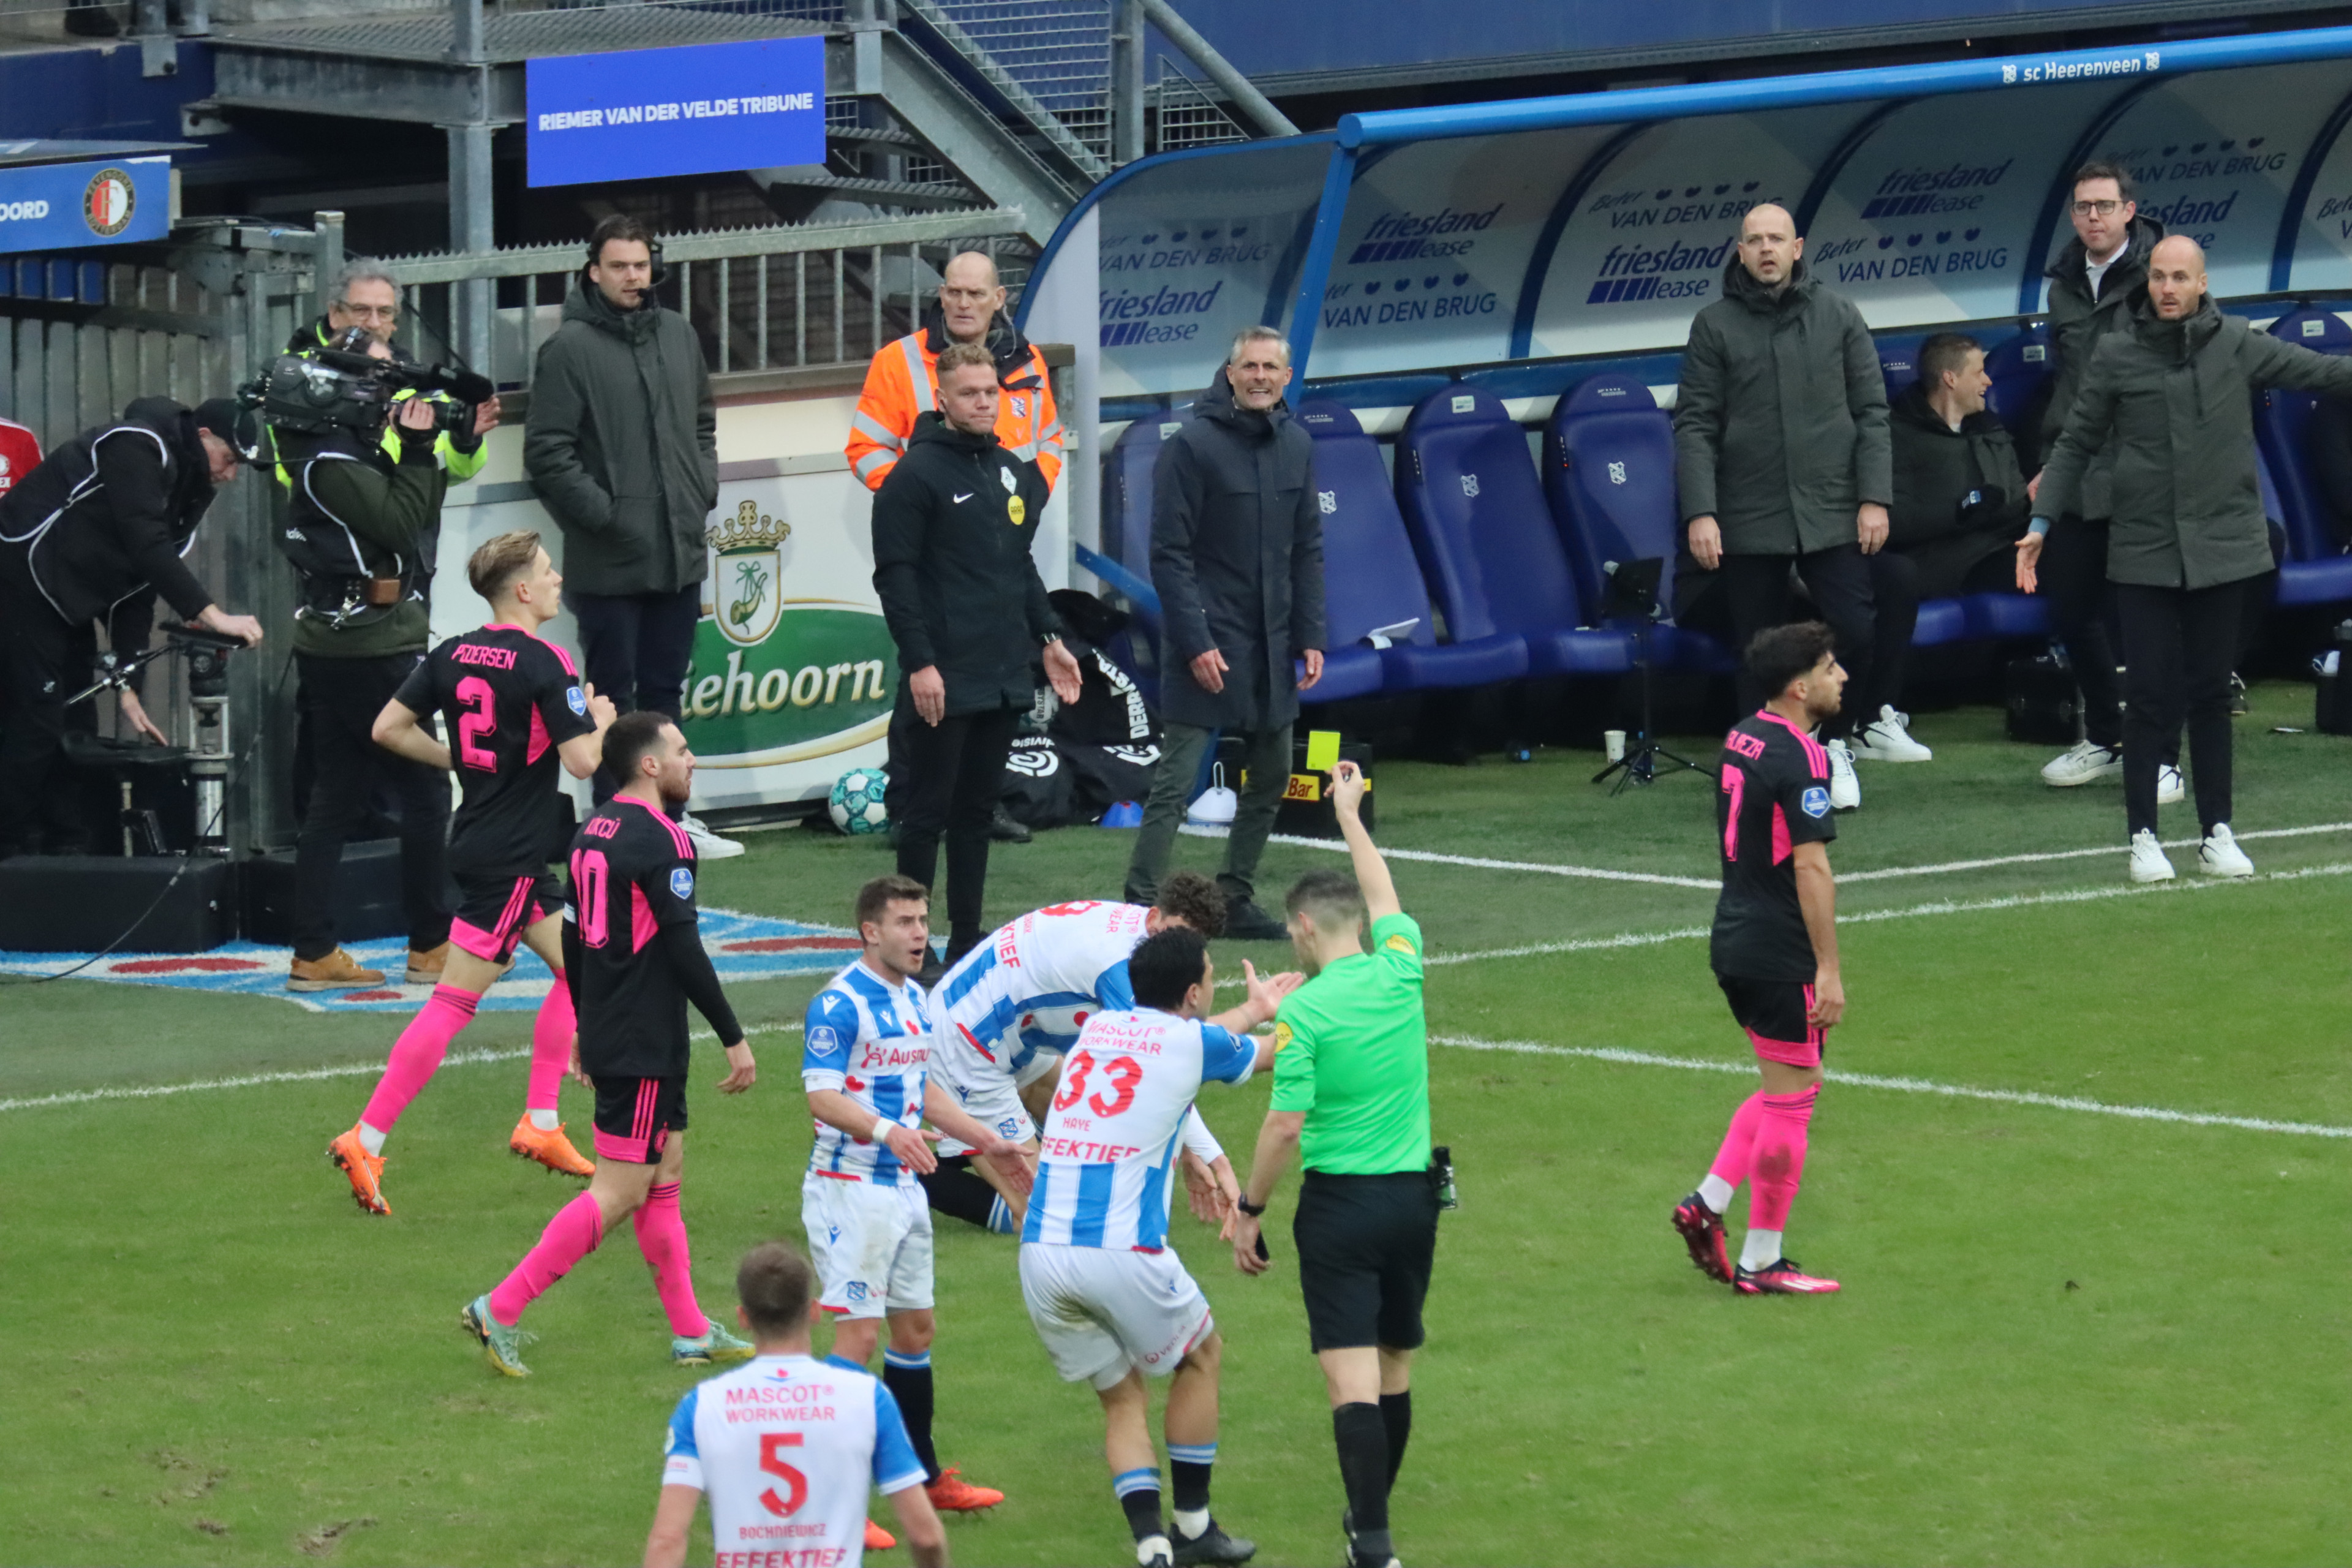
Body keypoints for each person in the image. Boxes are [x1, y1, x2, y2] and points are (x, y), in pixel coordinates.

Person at [2026, 235, 2352, 884]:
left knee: (2209, 692)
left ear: (2202, 283)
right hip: (2143, 548)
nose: (2168, 287)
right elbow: (2075, 443)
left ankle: (2216, 832)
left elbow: (2321, 371)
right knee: (2146, 696)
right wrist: (2040, 523)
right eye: (2159, 277)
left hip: (2225, 549)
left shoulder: (2237, 341)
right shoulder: (2117, 352)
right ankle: (2143, 837)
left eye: (2180, 277)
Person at [322, 532, 616, 1215]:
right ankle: (366, 1136)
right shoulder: (547, 661)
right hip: (510, 857)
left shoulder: (453, 651)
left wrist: (455, 761)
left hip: (495, 843)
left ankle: (541, 1122)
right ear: (521, 590)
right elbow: (581, 763)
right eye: (546, 571)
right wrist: (599, 720)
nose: (556, 578)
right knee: (454, 1002)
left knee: (585, 965)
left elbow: (388, 727)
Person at [461, 712, 758, 1376]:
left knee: (664, 1178)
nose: (692, 761)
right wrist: (734, 1037)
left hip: (619, 1028)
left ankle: (689, 1330)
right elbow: (682, 946)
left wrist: (583, 1024)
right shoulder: (664, 840)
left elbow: (573, 939)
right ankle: (500, 1307)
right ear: (649, 764)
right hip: (644, 1036)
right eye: (682, 751)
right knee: (621, 1190)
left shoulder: (589, 831)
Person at [1022, 925, 1295, 1568]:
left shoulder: (1098, 1030)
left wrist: (1248, 1010)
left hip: (1041, 1253)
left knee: (1122, 1397)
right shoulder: (1193, 1041)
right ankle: (1195, 1527)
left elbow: (1181, 1039)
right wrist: (1314, 1017)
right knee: (1201, 1354)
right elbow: (1266, 1052)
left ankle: (1151, 1546)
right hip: (1120, 1250)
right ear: (1194, 991)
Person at [1229, 760, 1434, 1568]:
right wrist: (1349, 815)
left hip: (1341, 1210)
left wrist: (1249, 1210)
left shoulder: (1305, 1013)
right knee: (1394, 1366)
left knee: (1347, 1381)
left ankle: (1375, 1541)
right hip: (1415, 1201)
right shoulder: (1401, 967)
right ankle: (1368, 1525)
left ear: (1305, 929)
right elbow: (1384, 895)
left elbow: (1284, 1125)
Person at [801, 874, 1031, 1519]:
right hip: (848, 1189)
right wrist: (887, 1130)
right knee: (858, 1337)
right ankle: (830, 1502)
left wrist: (988, 1140)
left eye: (923, 920)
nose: (919, 933)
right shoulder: (840, 1003)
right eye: (905, 922)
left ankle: (922, 1476)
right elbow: (821, 1095)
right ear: (870, 931)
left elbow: (922, 1088)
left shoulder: (916, 1001)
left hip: (904, 1188)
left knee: (916, 1327)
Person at [1673, 202, 1916, 809]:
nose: (1765, 250)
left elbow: (1872, 412)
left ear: (1798, 246)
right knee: (1755, 647)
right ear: (1740, 250)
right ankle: (1759, 768)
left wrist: (1873, 497)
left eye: (1775, 239)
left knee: (1855, 628)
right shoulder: (1714, 324)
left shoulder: (1838, 314)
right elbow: (1696, 423)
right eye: (1754, 240)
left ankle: (1833, 745)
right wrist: (1700, 511)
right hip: (1748, 510)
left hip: (1833, 506)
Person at [523, 213, 739, 860]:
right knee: (611, 697)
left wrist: (701, 487)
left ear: (655, 268)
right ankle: (611, 825)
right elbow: (548, 455)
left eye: (640, 265)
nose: (631, 276)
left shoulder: (678, 334)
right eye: (618, 266)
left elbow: (703, 424)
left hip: (679, 549)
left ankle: (675, 819)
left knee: (668, 692)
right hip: (609, 560)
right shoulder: (568, 349)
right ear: (593, 271)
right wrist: (610, 517)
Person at [870, 342, 1082, 971]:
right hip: (945, 672)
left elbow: (1017, 565)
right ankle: (914, 943)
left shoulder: (1011, 469)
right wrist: (920, 663)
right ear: (942, 400)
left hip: (1001, 673)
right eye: (970, 393)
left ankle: (966, 939)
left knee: (976, 812)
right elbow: (896, 579)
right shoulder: (912, 478)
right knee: (927, 811)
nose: (985, 403)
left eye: (991, 392)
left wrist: (1048, 638)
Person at [850, 249, 1066, 849]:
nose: (964, 304)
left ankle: (981, 803)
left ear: (1000, 300)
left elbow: (1048, 439)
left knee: (995, 681)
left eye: (977, 294)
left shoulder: (1028, 362)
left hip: (1003, 541)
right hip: (933, 551)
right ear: (940, 297)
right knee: (922, 679)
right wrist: (926, 504)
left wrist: (1023, 498)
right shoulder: (899, 362)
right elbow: (866, 447)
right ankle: (907, 807)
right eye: (954, 293)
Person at [274, 335, 463, 992]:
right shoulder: (334, 463)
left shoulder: (317, 454)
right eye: (374, 386)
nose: (384, 398)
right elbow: (405, 523)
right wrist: (416, 449)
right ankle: (432, 943)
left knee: (337, 795)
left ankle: (314, 949)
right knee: (425, 790)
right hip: (372, 648)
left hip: (335, 645)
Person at [1123, 328, 1326, 937]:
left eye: (1271, 367)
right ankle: (1141, 908)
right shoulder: (1191, 445)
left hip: (1273, 640)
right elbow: (1169, 555)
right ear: (1230, 372)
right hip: (1210, 640)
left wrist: (1311, 631)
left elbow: (1308, 547)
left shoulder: (1298, 443)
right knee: (1175, 782)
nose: (1260, 376)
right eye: (1250, 366)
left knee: (1269, 774)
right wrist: (1196, 641)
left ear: (1286, 378)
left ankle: (1234, 896)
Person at [0, 396, 261, 858]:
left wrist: (128, 680)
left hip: (67, 602)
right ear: (203, 438)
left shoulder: (190, 492)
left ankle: (67, 848)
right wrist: (209, 612)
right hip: (21, 580)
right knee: (34, 726)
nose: (230, 474)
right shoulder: (135, 444)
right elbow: (146, 543)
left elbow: (137, 592)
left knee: (74, 728)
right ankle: (13, 850)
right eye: (229, 459)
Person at [1670, 622, 1848, 1298]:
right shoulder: (1805, 759)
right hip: (1779, 950)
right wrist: (1826, 969)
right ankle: (1761, 1261)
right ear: (1800, 687)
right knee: (1796, 1102)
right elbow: (1812, 866)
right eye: (1832, 668)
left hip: (1735, 936)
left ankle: (1707, 1203)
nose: (1842, 678)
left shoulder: (1743, 733)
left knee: (1781, 1091)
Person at [923, 873, 1250, 1237]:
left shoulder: (1140, 933)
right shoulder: (1119, 967)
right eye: (1175, 933)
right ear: (1156, 916)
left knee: (1089, 1117)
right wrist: (1212, 1157)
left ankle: (971, 1145)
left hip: (1007, 1033)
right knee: (1040, 1217)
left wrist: (1190, 1149)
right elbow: (1158, 1063)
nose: (1180, 949)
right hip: (967, 1045)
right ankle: (903, 1171)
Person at [646, 1241, 948, 1568]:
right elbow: (925, 1537)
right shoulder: (866, 1398)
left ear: (744, 1318)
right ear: (815, 1310)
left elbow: (668, 1539)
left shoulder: (701, 1406)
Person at [2028, 162, 2166, 793]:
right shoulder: (2062, 285)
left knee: (2145, 615)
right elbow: (2069, 386)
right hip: (2079, 467)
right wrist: (2050, 464)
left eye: (2105, 206)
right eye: (2084, 207)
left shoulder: (2160, 273)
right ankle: (2106, 738)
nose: (2094, 217)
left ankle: (2162, 754)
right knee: (2070, 602)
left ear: (2129, 210)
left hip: (2143, 467)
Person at [1888, 333, 2032, 599]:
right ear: (1950, 379)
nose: (1988, 381)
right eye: (1979, 373)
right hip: (1950, 564)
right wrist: (1960, 511)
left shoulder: (1990, 428)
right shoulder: (1897, 437)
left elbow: (2017, 503)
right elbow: (1892, 522)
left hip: (2003, 545)